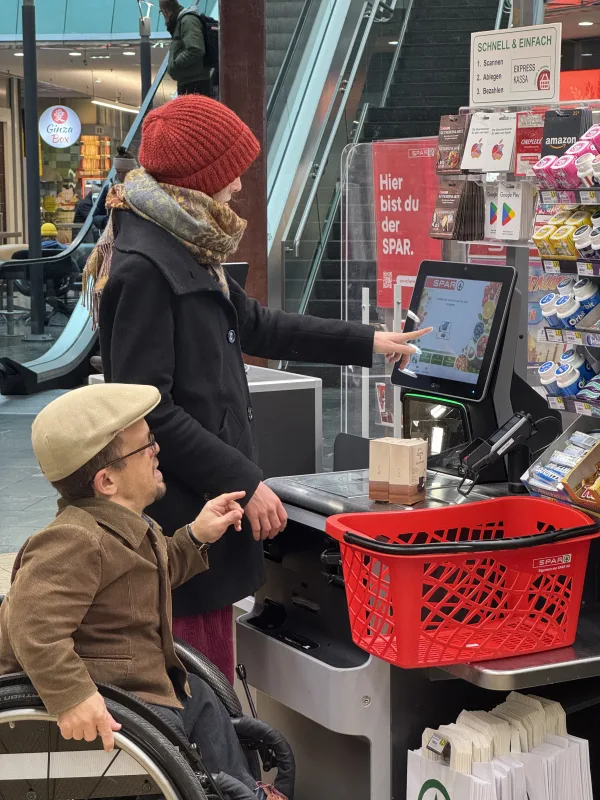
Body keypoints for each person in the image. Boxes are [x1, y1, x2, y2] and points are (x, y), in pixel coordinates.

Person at [90, 94, 432, 682]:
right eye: (230, 173)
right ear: (198, 179)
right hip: (183, 512)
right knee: (200, 681)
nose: (239, 188)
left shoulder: (184, 241)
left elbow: (256, 324)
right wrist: (244, 480)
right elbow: (148, 412)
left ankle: (223, 773)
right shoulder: (145, 267)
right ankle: (216, 777)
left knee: (210, 672)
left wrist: (369, 341)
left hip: (202, 503)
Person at [0, 383, 264, 792]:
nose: (157, 450)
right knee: (206, 741)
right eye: (146, 446)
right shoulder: (74, 540)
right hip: (121, 700)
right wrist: (71, 697)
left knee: (210, 707)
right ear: (106, 481)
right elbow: (31, 626)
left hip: (149, 687)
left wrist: (196, 535)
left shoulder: (130, 527)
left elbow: (151, 576)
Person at [160, 0, 213, 97]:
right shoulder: (182, 21)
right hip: (189, 83)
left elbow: (196, 49)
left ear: (165, 11)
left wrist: (175, 65)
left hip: (195, 84)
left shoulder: (187, 20)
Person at [93, 146, 139, 231]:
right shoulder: (110, 188)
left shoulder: (141, 189)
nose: (121, 175)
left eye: (126, 172)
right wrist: (107, 221)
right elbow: (96, 217)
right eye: (118, 172)